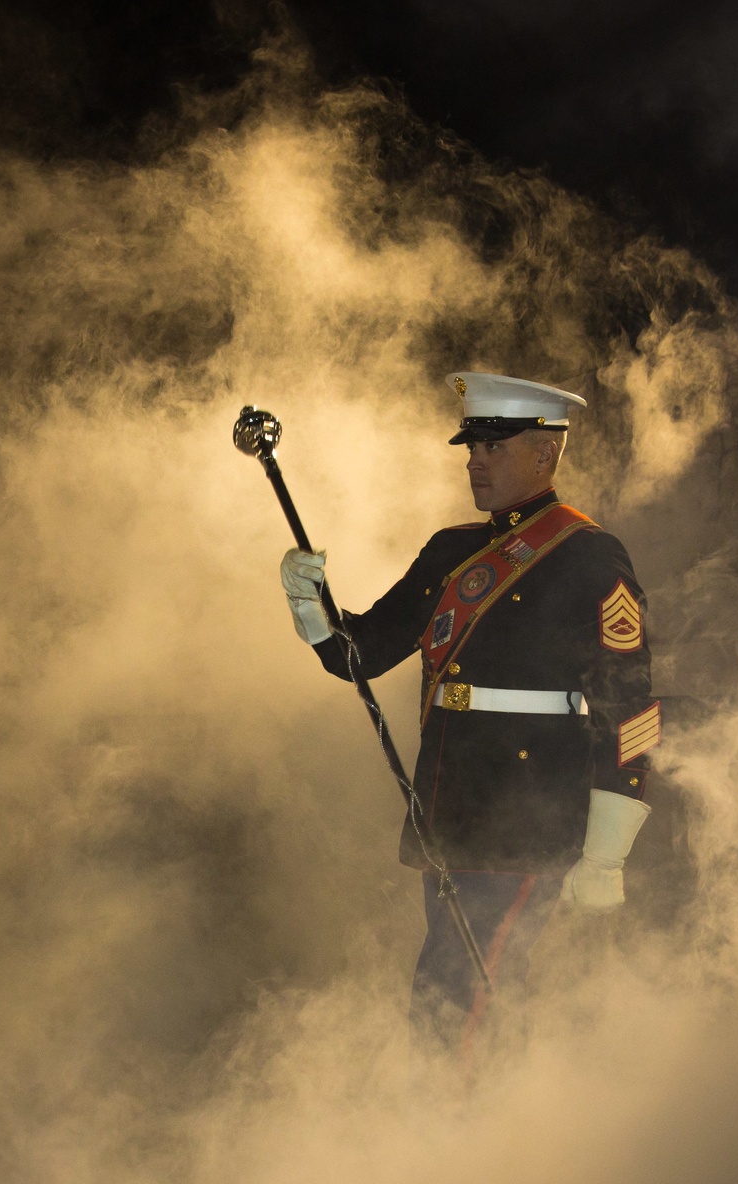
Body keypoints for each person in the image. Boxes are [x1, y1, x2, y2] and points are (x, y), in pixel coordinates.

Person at [279, 372, 658, 1049]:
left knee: (457, 995)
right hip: (450, 806)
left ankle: (446, 1129)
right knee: (468, 987)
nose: (473, 460)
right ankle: (494, 1126)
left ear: (545, 452)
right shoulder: (452, 551)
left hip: (531, 815)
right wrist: (314, 609)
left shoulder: (590, 557)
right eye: (469, 446)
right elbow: (360, 656)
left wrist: (607, 851)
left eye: (493, 446)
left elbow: (629, 708)